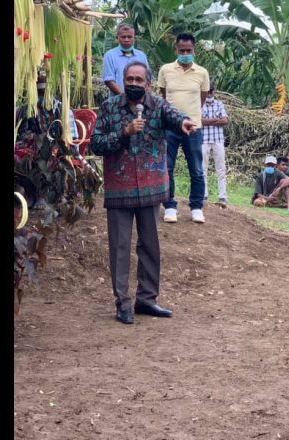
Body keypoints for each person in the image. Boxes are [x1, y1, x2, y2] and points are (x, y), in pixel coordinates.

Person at [91, 61, 197, 324]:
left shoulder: (157, 105)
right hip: (120, 189)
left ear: (148, 83)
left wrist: (183, 121)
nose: (134, 84)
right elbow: (96, 143)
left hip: (151, 188)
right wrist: (123, 133)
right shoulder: (109, 108)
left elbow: (173, 115)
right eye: (130, 79)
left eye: (139, 80)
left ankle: (147, 299)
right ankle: (122, 303)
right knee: (120, 246)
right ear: (123, 80)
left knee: (150, 245)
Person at [157, 32, 210, 223]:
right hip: (170, 127)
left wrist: (190, 116)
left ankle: (196, 206)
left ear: (194, 50)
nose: (185, 53)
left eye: (189, 50)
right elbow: (163, 97)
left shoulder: (202, 73)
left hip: (194, 127)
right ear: (176, 50)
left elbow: (202, 98)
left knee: (196, 167)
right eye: (182, 50)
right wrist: (174, 118)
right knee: (167, 167)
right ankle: (169, 205)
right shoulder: (165, 70)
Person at [15, 74, 79, 209]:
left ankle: (51, 195)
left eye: (44, 93)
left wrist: (63, 149)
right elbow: (21, 136)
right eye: (39, 93)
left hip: (56, 149)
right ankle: (30, 193)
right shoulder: (25, 110)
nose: (41, 97)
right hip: (31, 148)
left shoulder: (62, 110)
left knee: (49, 156)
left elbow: (71, 139)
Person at [101, 23, 150, 97]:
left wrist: (147, 97)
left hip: (140, 101)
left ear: (134, 38)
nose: (126, 39)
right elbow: (109, 80)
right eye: (123, 37)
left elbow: (148, 78)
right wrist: (125, 98)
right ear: (117, 38)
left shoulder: (141, 56)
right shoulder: (110, 56)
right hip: (118, 102)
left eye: (129, 37)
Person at [201, 85, 229, 206]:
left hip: (218, 140)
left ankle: (222, 196)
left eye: (211, 91)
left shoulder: (219, 104)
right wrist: (216, 120)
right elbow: (199, 120)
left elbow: (225, 120)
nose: (209, 93)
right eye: (207, 91)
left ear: (214, 91)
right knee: (202, 168)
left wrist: (208, 120)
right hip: (204, 139)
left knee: (221, 168)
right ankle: (204, 194)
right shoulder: (199, 104)